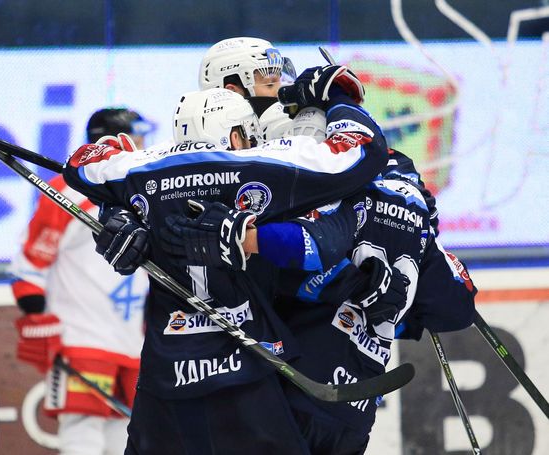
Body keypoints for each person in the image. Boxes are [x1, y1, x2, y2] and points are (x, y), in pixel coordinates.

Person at [62, 61, 390, 454]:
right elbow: (362, 153)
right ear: (237, 135)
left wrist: (114, 208)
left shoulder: (139, 169)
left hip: (165, 377)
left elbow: (81, 164)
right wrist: (341, 97)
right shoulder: (260, 163)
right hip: (243, 373)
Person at [8, 107, 153, 455]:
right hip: (81, 336)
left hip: (134, 342)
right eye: (138, 134)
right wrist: (36, 315)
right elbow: (29, 264)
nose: (144, 142)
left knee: (128, 431)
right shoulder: (66, 193)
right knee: (82, 430)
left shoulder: (144, 191)